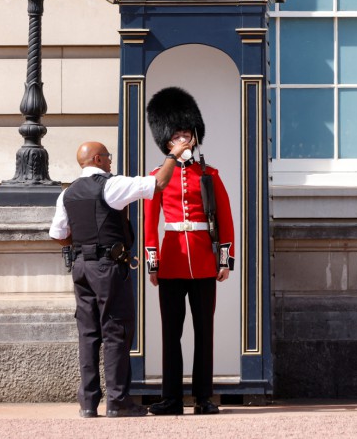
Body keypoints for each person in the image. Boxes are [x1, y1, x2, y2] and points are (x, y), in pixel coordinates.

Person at [49, 138, 191, 419]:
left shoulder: (67, 193)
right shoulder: (110, 185)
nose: (111, 161)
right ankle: (118, 401)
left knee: (88, 335)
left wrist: (83, 246)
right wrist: (173, 156)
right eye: (108, 157)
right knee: (116, 332)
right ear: (99, 160)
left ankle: (88, 403)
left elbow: (58, 235)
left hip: (81, 267)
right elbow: (159, 184)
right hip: (108, 267)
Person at [144, 87, 235, 416]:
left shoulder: (210, 175)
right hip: (170, 261)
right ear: (167, 141)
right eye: (177, 135)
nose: (183, 140)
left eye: (187, 134)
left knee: (204, 332)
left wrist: (224, 261)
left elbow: (225, 219)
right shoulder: (157, 177)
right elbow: (150, 222)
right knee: (171, 333)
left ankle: (203, 397)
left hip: (203, 261)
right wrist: (153, 263)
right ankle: (170, 398)